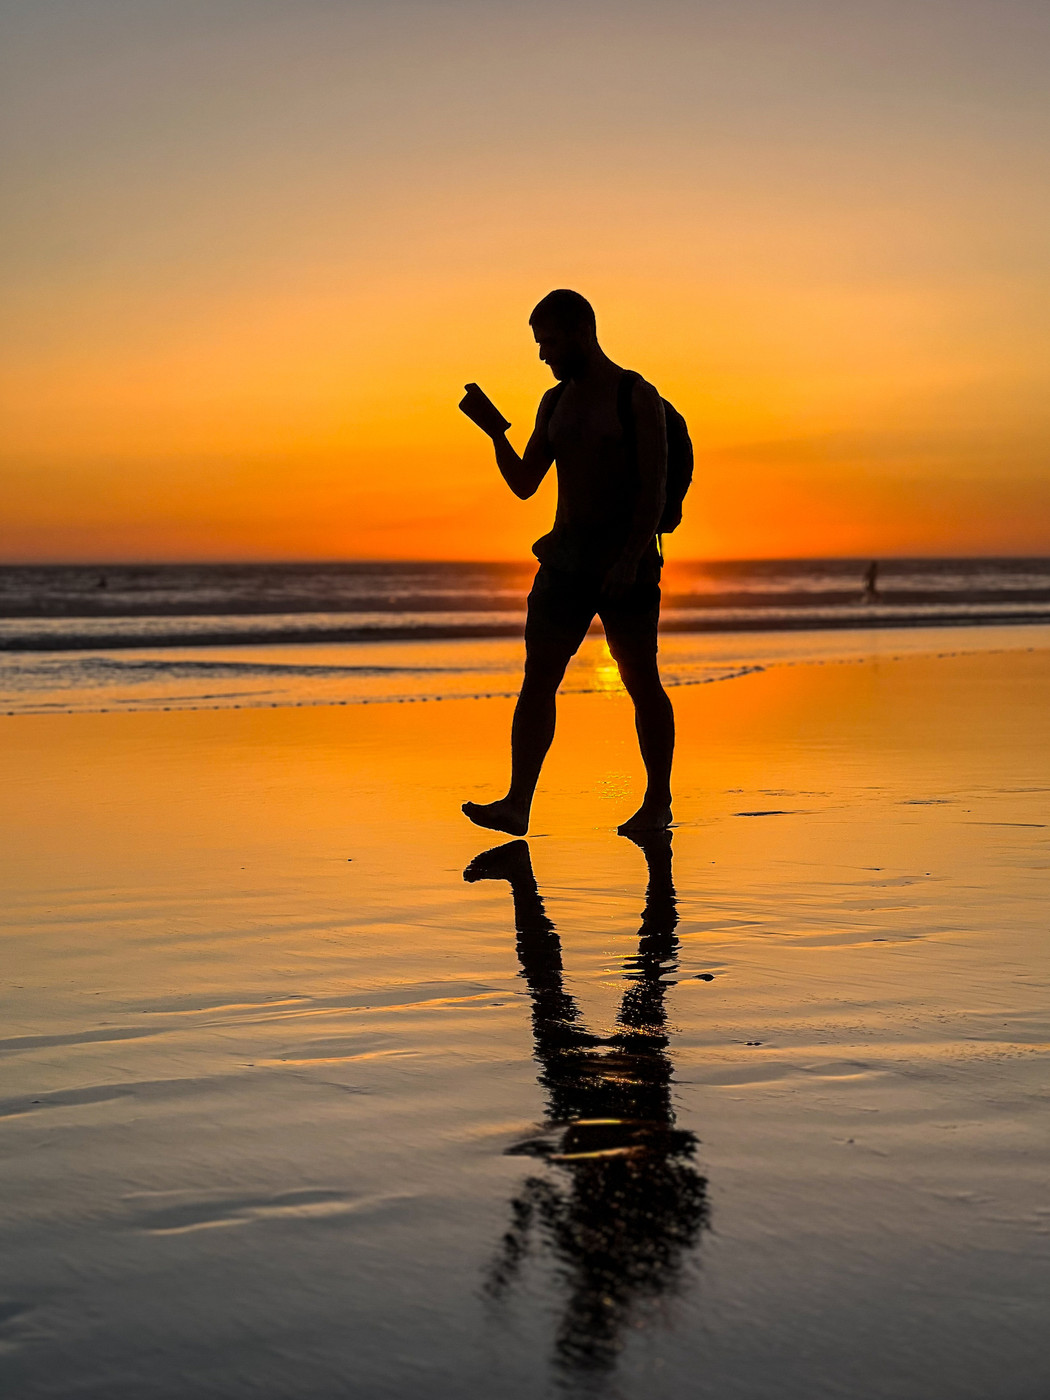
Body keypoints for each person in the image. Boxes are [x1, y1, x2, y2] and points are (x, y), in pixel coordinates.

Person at [459, 289, 674, 836]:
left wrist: (631, 557)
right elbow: (526, 484)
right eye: (539, 344)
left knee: (641, 680)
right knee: (537, 680)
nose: (542, 355)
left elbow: (653, 489)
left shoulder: (635, 395)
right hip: (565, 565)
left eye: (549, 342)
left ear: (582, 332)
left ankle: (657, 803)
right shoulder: (553, 403)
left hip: (625, 569)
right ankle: (517, 803)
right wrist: (495, 433)